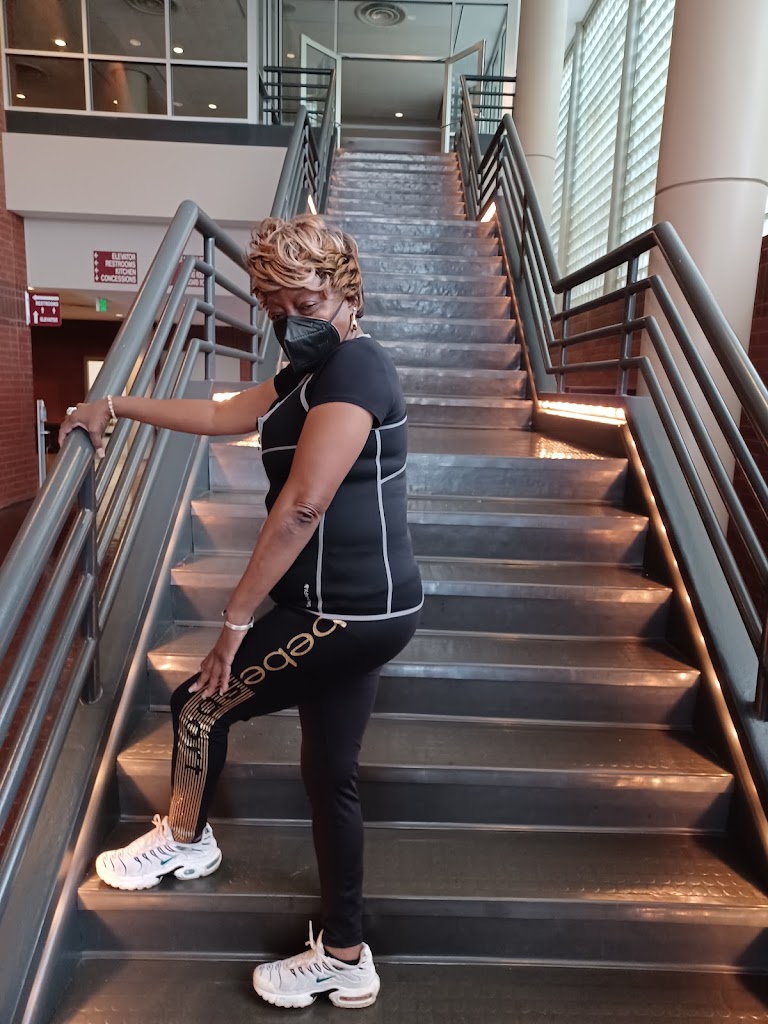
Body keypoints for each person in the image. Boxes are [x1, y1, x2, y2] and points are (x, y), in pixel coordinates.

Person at [58, 214, 423, 1010]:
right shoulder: (310, 372)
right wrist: (115, 405)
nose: (291, 319)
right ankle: (347, 954)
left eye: (306, 302)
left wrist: (233, 624)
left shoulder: (356, 369)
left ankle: (187, 839)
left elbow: (303, 507)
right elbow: (226, 414)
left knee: (197, 706)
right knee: (330, 776)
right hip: (363, 610)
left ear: (346, 291)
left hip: (342, 611)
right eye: (275, 307)